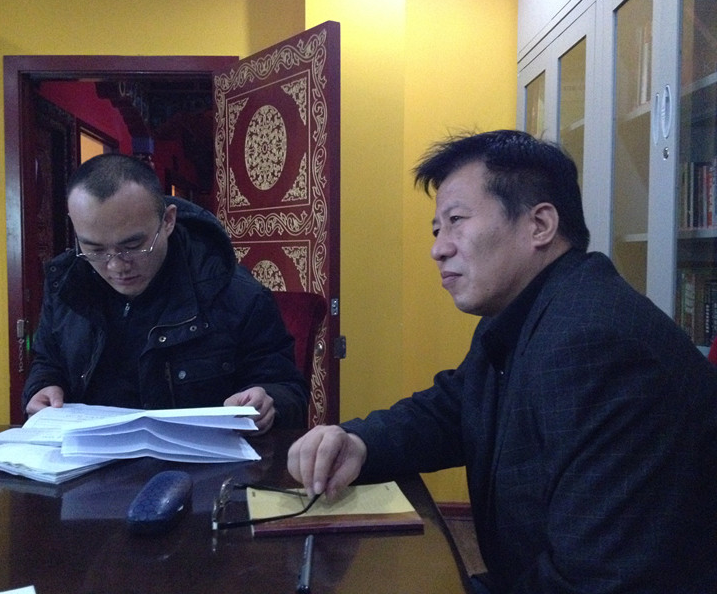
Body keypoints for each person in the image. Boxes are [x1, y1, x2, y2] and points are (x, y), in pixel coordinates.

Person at [287, 130, 717, 593]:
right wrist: (360, 442)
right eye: (437, 229)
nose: (438, 248)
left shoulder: (595, 342)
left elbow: (596, 579)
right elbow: (453, 408)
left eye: (456, 220)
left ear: (540, 225)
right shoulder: (525, 312)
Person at [22, 153, 309, 434]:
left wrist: (268, 402)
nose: (116, 266)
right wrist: (43, 387)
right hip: (86, 457)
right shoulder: (67, 285)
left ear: (168, 221)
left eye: (133, 246)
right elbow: (48, 361)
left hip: (198, 460)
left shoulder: (238, 295)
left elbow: (288, 390)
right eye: (95, 249)